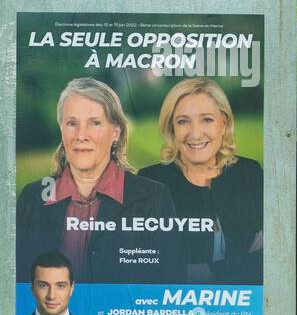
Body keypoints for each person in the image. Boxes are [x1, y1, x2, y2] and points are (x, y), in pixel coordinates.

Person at [16, 78, 182, 284]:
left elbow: (168, 283)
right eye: (72, 123)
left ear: (115, 132)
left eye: (94, 123)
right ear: (62, 129)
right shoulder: (32, 198)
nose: (81, 135)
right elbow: (18, 287)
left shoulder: (154, 197)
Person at [139, 78, 264, 283]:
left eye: (206, 119)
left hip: (243, 307)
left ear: (224, 124)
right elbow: (149, 265)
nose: (195, 134)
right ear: (172, 128)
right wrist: (238, 266)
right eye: (183, 121)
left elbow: (269, 259)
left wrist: (201, 271)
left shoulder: (250, 173)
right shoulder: (150, 181)